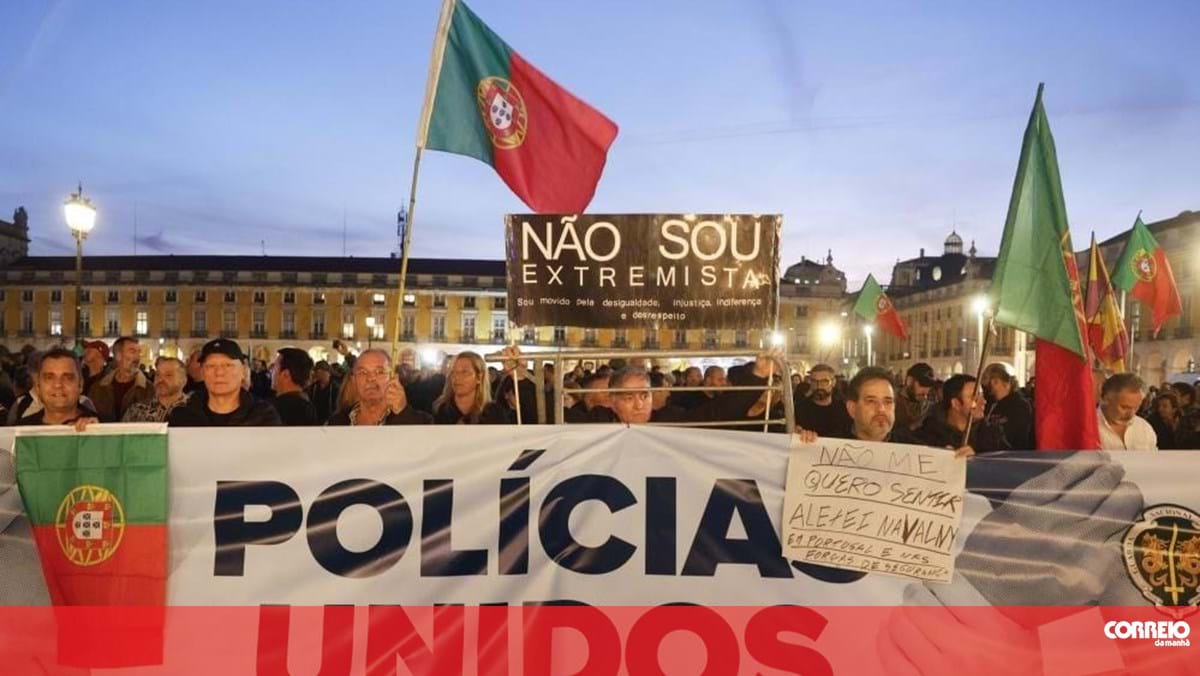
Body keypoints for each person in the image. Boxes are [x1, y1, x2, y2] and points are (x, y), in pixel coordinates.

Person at [572, 351, 780, 425]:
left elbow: (717, 413)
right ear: (613, 401)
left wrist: (758, 375)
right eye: (628, 397)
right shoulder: (596, 423)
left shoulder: (669, 419)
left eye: (644, 395)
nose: (639, 405)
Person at [169, 339, 281, 426]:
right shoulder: (183, 416)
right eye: (211, 366)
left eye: (228, 365)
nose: (219, 372)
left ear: (243, 371)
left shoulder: (263, 416)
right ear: (202, 372)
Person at [327, 349, 431, 425]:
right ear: (354, 380)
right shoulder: (337, 423)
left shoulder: (421, 422)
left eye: (379, 372)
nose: (370, 378)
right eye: (363, 372)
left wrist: (402, 413)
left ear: (393, 377)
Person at [914, 374, 1008, 454]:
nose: (983, 401)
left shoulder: (993, 435)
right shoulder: (927, 435)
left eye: (982, 396)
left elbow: (1004, 460)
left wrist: (978, 457)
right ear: (956, 403)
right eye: (974, 398)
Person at [20, 348, 98, 430]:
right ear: (38, 386)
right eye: (49, 378)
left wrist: (102, 434)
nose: (58, 384)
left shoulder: (104, 426)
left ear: (80, 385)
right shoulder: (19, 431)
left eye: (68, 378)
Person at [432, 351, 509, 424]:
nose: (457, 377)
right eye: (453, 372)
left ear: (479, 377)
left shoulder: (494, 413)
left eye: (464, 372)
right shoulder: (439, 410)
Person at [87, 336, 151, 422]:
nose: (137, 358)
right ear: (118, 356)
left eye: (138, 352)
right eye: (132, 351)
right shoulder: (98, 389)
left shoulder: (149, 389)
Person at [1097, 373, 1157, 451]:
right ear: (1106, 399)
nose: (1131, 414)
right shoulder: (1087, 428)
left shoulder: (1144, 428)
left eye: (1136, 407)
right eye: (1125, 407)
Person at [982, 363, 1034, 450]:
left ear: (1006, 382)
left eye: (995, 382)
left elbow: (1018, 436)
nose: (992, 388)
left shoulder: (1020, 405)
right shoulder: (989, 403)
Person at [122, 356, 190, 423]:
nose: (160, 379)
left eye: (168, 375)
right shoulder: (137, 410)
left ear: (183, 381)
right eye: (158, 374)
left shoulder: (194, 410)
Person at [795, 364, 852, 437]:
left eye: (824, 382)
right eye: (814, 381)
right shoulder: (799, 409)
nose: (819, 386)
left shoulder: (844, 410)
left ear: (833, 382)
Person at [269, 348, 317, 426]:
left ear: (286, 375)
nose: (271, 371)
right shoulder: (308, 407)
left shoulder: (272, 410)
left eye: (274, 367)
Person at [894, 362, 936, 433]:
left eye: (929, 386)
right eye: (922, 384)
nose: (925, 391)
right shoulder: (892, 401)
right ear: (909, 381)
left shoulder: (929, 407)